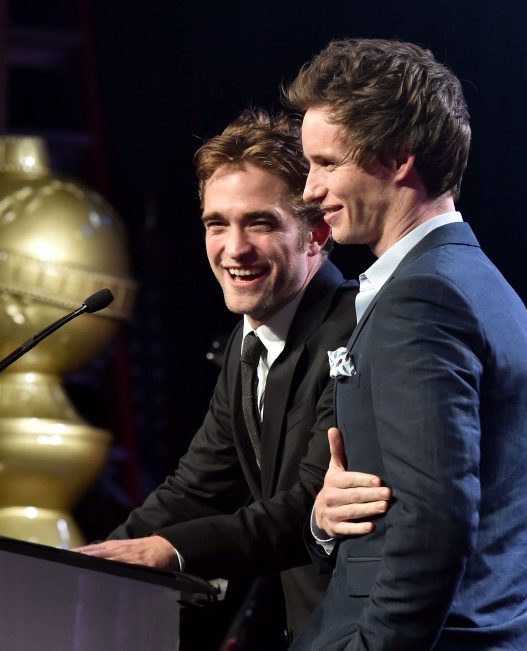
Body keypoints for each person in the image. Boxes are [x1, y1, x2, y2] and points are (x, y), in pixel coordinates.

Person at [74, 108, 390, 647]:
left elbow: (308, 504)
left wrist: (170, 551)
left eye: (260, 223)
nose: (234, 248)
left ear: (316, 233)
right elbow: (193, 490)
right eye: (217, 224)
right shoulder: (249, 342)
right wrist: (90, 566)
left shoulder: (356, 333)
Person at [284, 38, 527, 650]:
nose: (310, 189)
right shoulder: (471, 282)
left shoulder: (425, 298)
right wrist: (326, 520)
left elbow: (435, 524)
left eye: (327, 163)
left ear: (398, 159)